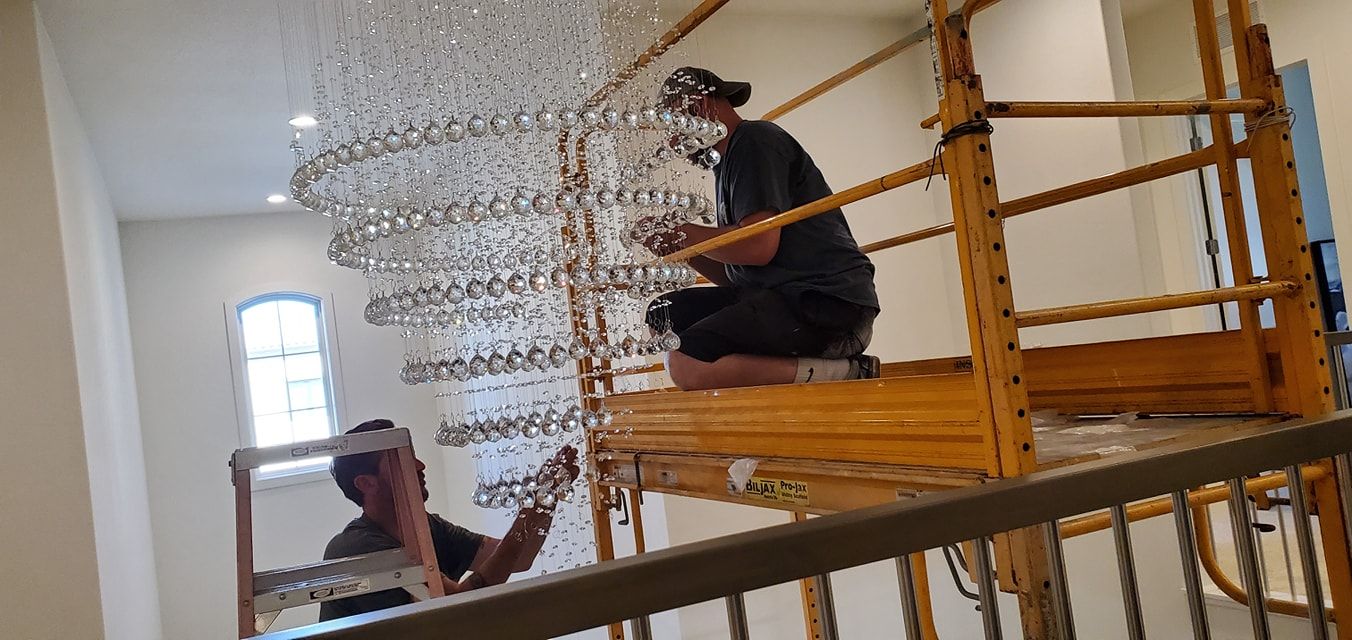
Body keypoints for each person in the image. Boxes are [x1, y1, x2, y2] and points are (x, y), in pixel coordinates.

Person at [642, 66, 881, 391]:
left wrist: (685, 232)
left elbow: (757, 248)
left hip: (829, 305)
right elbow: (737, 275)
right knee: (662, 313)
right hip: (780, 297)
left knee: (689, 365)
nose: (672, 143)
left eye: (672, 125)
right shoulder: (726, 165)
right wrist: (682, 249)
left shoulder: (755, 141)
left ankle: (848, 372)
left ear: (700, 106)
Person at [318, 419, 578, 621]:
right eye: (402, 461)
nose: (420, 466)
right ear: (366, 483)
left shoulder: (430, 528)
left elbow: (519, 560)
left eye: (413, 455)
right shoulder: (354, 550)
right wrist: (533, 505)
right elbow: (457, 606)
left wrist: (546, 499)